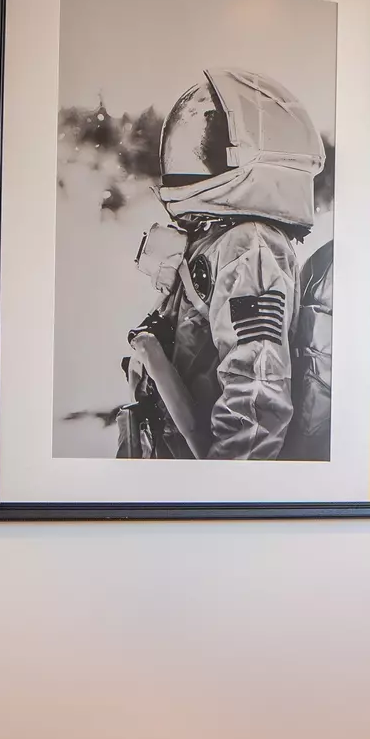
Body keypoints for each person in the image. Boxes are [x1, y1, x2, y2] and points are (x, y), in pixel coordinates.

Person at [117, 68, 327, 460]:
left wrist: (222, 498)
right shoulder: (217, 239)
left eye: (209, 147)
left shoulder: (250, 247)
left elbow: (256, 396)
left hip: (201, 496)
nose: (193, 156)